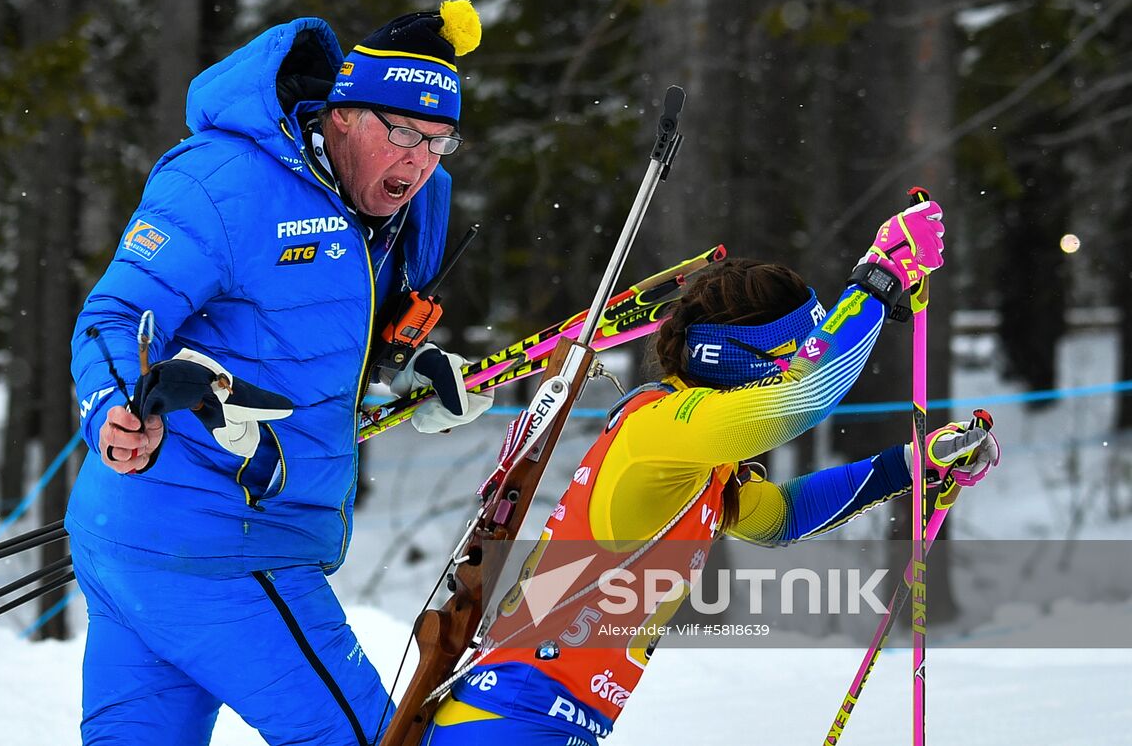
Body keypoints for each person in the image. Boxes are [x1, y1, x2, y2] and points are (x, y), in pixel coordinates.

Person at [66, 0, 494, 746]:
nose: (420, 161)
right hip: (221, 549)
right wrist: (114, 407)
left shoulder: (396, 210)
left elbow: (330, 334)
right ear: (343, 114)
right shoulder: (226, 182)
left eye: (438, 141)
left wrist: (414, 370)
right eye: (402, 133)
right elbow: (116, 316)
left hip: (136, 540)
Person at [420, 201, 1002, 744]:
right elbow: (808, 395)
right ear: (728, 354)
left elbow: (782, 517)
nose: (799, 365)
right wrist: (877, 280)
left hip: (544, 716)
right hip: (512, 715)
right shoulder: (665, 429)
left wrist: (913, 464)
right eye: (793, 352)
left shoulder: (702, 457)